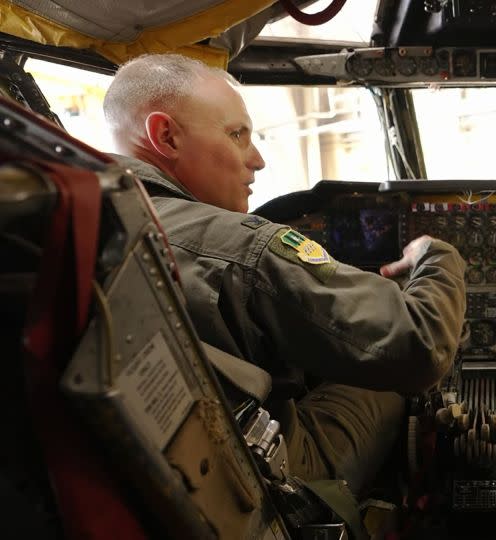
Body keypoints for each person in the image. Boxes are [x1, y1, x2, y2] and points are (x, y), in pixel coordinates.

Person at [103, 54, 467, 494]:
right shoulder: (238, 247)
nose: (257, 160)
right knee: (389, 379)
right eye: (237, 135)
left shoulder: (86, 223)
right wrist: (437, 257)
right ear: (165, 135)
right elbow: (421, 345)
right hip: (265, 480)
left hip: (149, 474)